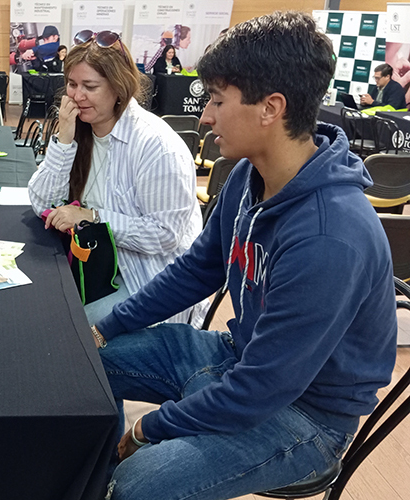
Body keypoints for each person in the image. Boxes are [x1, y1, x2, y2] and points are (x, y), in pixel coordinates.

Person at [93, 12, 396, 499]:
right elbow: (198, 269)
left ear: (270, 108)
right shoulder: (247, 175)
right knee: (87, 361)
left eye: (216, 99)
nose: (205, 115)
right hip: (237, 359)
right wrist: (105, 327)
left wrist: (148, 429)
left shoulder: (329, 235)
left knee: (137, 484)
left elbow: (264, 388)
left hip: (305, 417)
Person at [27, 32, 201, 326]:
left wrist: (90, 217)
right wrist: (64, 139)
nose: (76, 96)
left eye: (89, 87)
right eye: (71, 84)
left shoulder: (156, 146)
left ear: (119, 88)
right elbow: (41, 202)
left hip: (144, 282)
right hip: (96, 266)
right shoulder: (83, 129)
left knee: (62, 325)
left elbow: (164, 234)